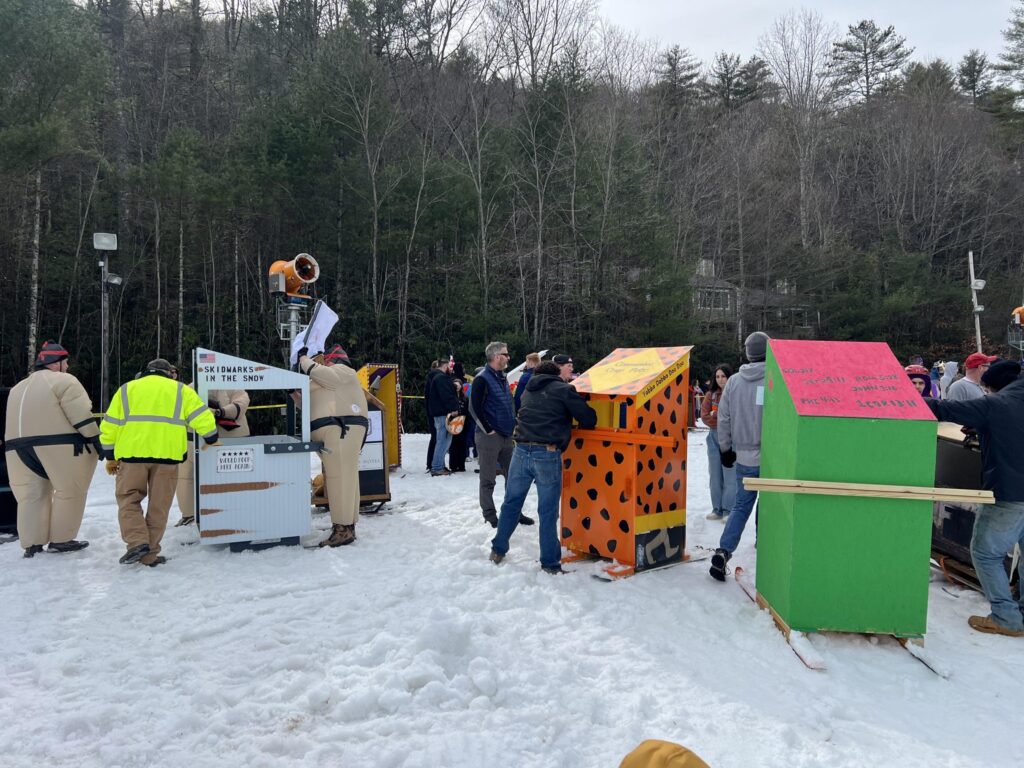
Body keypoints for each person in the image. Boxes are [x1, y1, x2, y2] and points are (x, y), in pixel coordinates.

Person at [924, 359, 1024, 637]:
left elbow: (943, 408)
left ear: (994, 388)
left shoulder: (995, 404)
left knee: (985, 552)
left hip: (1012, 492)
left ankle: (1006, 618)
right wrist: (986, 429)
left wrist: (900, 398)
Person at [101, 358, 217, 567]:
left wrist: (110, 455)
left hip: (131, 457)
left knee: (128, 500)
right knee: (159, 506)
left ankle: (137, 543)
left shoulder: (127, 389)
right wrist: (211, 437)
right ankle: (149, 554)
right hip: (168, 458)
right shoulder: (180, 390)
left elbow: (110, 424)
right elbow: (202, 416)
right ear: (167, 373)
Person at [489, 361, 597, 573]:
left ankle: (497, 550)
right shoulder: (564, 389)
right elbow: (589, 418)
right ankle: (550, 564)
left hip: (520, 450)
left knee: (511, 503)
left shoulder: (528, 389)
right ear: (557, 373)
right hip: (546, 453)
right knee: (547, 511)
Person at [4, 341, 101, 558]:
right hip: (59, 444)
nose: (67, 367)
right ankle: (62, 539)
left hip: (17, 449)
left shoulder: (17, 388)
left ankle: (32, 544)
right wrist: (96, 439)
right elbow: (80, 413)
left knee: (31, 495)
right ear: (55, 363)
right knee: (70, 491)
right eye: (65, 362)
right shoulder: (64, 381)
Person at [710, 331, 769, 582]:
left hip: (743, 454)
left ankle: (724, 550)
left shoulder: (733, 381)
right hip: (772, 455)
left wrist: (725, 449)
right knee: (770, 503)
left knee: (742, 504)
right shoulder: (777, 377)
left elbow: (723, 418)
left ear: (747, 352)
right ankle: (766, 546)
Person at [296, 344, 368, 547]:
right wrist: (294, 393)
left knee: (340, 478)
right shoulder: (328, 381)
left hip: (342, 429)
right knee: (345, 476)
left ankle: (343, 529)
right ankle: (347, 524)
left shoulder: (343, 372)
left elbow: (324, 374)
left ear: (333, 360)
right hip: (338, 431)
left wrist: (303, 359)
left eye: (325, 360)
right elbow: (309, 405)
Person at [175, 388, 250, 527]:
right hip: (202, 439)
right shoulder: (232, 385)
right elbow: (241, 402)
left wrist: (217, 412)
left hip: (218, 439)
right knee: (186, 476)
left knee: (188, 476)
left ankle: (231, 511)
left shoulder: (191, 387)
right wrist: (219, 413)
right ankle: (189, 515)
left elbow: (242, 402)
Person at [470, 341, 524, 526]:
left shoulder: (501, 377)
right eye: (506, 354)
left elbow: (507, 405)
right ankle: (490, 515)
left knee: (513, 476)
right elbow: (474, 408)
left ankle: (514, 512)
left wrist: (514, 422)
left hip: (506, 435)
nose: (509, 357)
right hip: (489, 437)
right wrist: (489, 429)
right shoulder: (482, 378)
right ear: (496, 356)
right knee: (488, 478)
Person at [700, 364, 736, 522]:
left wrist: (717, 414)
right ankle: (717, 509)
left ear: (729, 376)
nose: (721, 379)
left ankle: (728, 510)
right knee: (714, 474)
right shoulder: (710, 395)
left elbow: (736, 416)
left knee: (730, 475)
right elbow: (705, 416)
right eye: (718, 376)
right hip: (713, 437)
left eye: (723, 376)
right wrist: (720, 416)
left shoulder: (735, 393)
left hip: (731, 436)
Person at [425, 356, 459, 476]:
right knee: (442, 441)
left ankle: (438, 465)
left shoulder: (436, 377)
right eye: (450, 366)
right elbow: (447, 395)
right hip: (442, 414)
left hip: (439, 413)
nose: (451, 369)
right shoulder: (441, 378)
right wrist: (454, 408)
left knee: (443, 440)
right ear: (445, 366)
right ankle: (437, 467)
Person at [423, 360, 440, 472]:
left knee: (435, 438)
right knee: (435, 438)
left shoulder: (431, 379)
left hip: (431, 412)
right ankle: (431, 463)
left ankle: (431, 462)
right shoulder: (434, 380)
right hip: (434, 413)